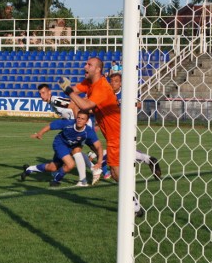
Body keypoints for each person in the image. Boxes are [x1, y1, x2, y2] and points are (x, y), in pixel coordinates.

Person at [59, 57, 144, 216]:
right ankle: (134, 203)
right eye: (86, 63)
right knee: (115, 172)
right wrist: (67, 91)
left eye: (89, 64)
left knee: (116, 171)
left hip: (117, 132)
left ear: (98, 69)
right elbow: (76, 92)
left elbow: (83, 104)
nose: (85, 66)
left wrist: (68, 91)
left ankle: (134, 205)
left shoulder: (102, 87)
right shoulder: (89, 82)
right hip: (112, 133)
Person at [20, 110, 103, 187]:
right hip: (60, 144)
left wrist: (99, 162)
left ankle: (29, 169)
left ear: (86, 121)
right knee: (70, 164)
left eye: (83, 119)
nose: (80, 120)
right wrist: (40, 133)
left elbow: (99, 146)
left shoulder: (88, 131)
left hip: (70, 147)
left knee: (53, 167)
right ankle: (56, 181)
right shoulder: (68, 123)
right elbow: (51, 126)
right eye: (78, 117)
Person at [108, 72, 162, 180]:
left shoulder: (127, 93)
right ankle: (149, 159)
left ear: (121, 83)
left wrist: (124, 105)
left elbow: (139, 104)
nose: (113, 84)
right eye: (111, 81)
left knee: (119, 152)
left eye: (116, 81)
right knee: (123, 151)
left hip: (125, 126)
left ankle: (99, 163)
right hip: (113, 126)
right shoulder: (108, 94)